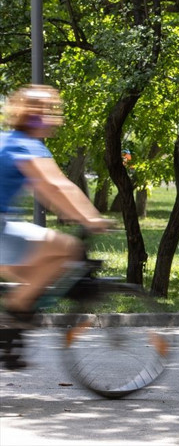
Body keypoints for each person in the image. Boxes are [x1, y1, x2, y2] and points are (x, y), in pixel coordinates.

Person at [1, 85, 110, 330]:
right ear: (34, 116)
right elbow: (56, 187)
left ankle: (13, 332)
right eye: (50, 111)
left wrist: (69, 210)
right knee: (69, 248)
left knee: (33, 279)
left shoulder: (7, 140)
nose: (55, 119)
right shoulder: (26, 146)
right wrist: (91, 218)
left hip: (6, 227)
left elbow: (49, 193)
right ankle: (12, 316)